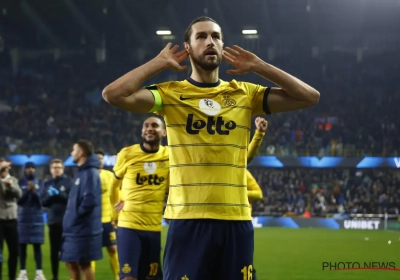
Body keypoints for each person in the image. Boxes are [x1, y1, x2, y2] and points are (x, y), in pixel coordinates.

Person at [102, 15, 319, 280]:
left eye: (216, 36)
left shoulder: (244, 93)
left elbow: (309, 96)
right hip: (187, 220)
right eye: (201, 36)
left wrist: (259, 66)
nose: (210, 42)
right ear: (188, 47)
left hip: (236, 219)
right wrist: (158, 63)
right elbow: (113, 94)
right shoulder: (169, 94)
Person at [111, 117, 168, 280]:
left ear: (164, 132)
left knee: (152, 277)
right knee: (128, 277)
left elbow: (171, 188)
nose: (150, 128)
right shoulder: (127, 154)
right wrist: (114, 213)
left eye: (155, 126)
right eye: (146, 126)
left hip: (154, 228)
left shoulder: (170, 156)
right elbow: (114, 186)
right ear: (142, 132)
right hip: (129, 225)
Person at [60, 140, 102, 280]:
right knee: (70, 262)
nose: (71, 153)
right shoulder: (82, 172)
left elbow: (89, 200)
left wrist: (76, 217)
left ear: (81, 152)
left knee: (84, 263)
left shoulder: (90, 173)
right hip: (75, 228)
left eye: (74, 150)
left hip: (82, 228)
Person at [91, 150, 119, 280]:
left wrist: (117, 217)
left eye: (102, 158)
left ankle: (118, 276)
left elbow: (116, 197)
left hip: (108, 220)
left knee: (113, 249)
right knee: (91, 253)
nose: (100, 160)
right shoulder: (87, 176)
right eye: (97, 158)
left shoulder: (110, 175)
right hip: (92, 222)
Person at [42, 159, 72, 280]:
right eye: (54, 167)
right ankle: (55, 276)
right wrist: (50, 196)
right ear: (51, 170)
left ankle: (73, 276)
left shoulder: (69, 182)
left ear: (63, 169)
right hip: (53, 222)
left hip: (67, 222)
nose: (56, 169)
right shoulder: (47, 184)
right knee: (54, 252)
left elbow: (71, 200)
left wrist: (59, 194)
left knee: (70, 251)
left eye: (59, 167)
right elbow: (43, 202)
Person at [17, 162, 46, 280]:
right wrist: (27, 192)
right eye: (28, 168)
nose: (30, 170)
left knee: (37, 247)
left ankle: (39, 273)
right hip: (23, 218)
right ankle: (23, 273)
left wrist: (34, 192)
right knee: (22, 247)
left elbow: (41, 202)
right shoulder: (20, 183)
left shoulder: (40, 183)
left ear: (35, 170)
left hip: (37, 218)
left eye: (33, 168)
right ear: (25, 170)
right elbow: (19, 201)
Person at [0, 159, 21, 280]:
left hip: (12, 219)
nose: (6, 170)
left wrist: (11, 186)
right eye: (3, 168)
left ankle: (12, 277)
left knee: (14, 252)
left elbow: (19, 194)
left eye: (7, 168)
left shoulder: (13, 180)